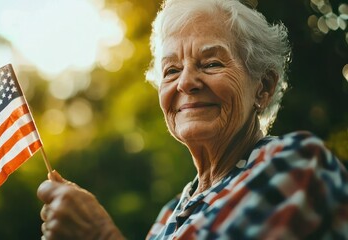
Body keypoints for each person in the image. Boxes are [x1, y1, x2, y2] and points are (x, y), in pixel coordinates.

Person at [37, 0, 348, 239]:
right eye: (171, 70)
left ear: (263, 87)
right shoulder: (167, 216)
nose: (185, 82)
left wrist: (101, 236)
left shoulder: (297, 164)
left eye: (211, 63)